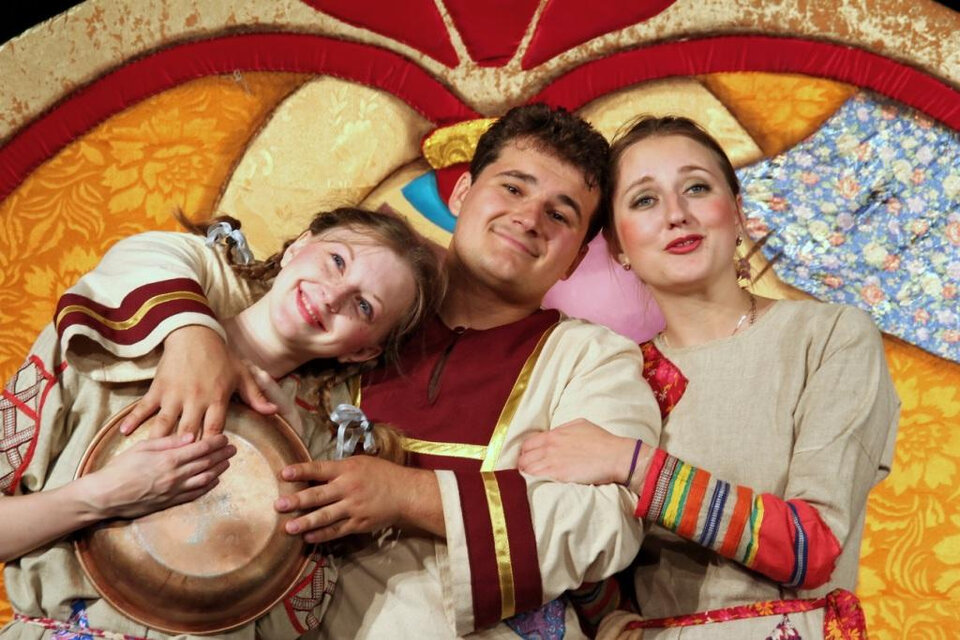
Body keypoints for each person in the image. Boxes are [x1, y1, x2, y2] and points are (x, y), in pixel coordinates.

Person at [46, 104, 664, 638]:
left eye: (560, 214)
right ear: (461, 194)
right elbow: (163, 254)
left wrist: (407, 495)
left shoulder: (592, 359)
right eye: (513, 187)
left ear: (575, 259)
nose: (529, 218)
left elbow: (606, 522)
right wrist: (192, 335)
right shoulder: (346, 308)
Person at [518, 116, 901, 638]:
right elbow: (594, 573)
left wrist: (632, 463)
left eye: (696, 188)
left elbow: (812, 546)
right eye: (644, 200)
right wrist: (609, 612)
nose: (676, 214)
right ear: (618, 245)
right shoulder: (614, 373)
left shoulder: (829, 336)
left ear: (738, 212)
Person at [0, 207, 445, 639]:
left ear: (362, 351)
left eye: (364, 306)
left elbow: (288, 626)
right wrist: (101, 496)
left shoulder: (322, 460)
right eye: (336, 261)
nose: (332, 296)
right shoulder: (101, 339)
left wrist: (291, 454)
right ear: (298, 247)